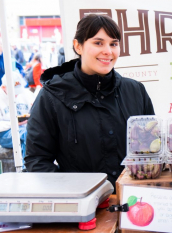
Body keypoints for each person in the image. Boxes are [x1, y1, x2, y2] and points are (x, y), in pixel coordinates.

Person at [25, 14, 154, 188]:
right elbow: (37, 160)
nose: (108, 51)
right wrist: (75, 196)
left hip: (133, 202)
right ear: (78, 46)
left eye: (113, 44)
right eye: (98, 43)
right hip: (82, 208)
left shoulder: (135, 91)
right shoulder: (52, 96)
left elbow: (151, 149)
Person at [0, 71, 35, 159]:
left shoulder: (26, 94)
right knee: (27, 135)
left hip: (27, 128)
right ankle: (28, 169)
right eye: (14, 92)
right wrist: (14, 123)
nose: (17, 94)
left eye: (18, 91)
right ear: (3, 87)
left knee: (33, 134)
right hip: (4, 134)